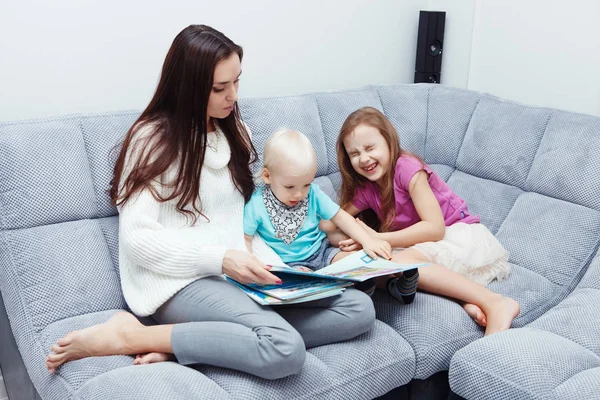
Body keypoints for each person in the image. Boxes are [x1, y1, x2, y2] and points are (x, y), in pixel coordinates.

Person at [44, 25, 375, 379]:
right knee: (283, 348)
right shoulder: (151, 140)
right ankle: (129, 335)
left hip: (238, 274)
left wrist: (283, 266)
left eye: (236, 81)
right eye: (220, 88)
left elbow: (244, 218)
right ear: (189, 86)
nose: (232, 95)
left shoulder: (236, 133)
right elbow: (137, 240)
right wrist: (219, 259)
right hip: (179, 280)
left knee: (359, 309)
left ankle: (186, 345)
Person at [322, 106, 520, 336]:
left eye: (369, 148)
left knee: (401, 261)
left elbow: (434, 229)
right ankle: (466, 300)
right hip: (421, 246)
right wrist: (362, 239)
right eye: (354, 154)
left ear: (389, 142)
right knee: (356, 262)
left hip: (457, 235)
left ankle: (495, 302)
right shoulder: (367, 188)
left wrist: (376, 237)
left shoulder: (407, 168)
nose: (364, 158)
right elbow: (329, 225)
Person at [243, 129, 392, 291]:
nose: (299, 194)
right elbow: (245, 239)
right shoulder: (256, 205)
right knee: (300, 280)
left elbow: (341, 217)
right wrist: (253, 265)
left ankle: (382, 286)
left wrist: (367, 241)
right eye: (290, 187)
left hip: (322, 251)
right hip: (287, 264)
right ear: (267, 176)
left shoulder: (313, 193)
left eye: (306, 184)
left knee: (356, 261)